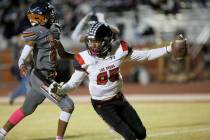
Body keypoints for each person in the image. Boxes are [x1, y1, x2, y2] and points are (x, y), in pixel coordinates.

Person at [49, 22, 174, 140]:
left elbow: (146, 55)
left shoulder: (119, 50)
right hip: (102, 104)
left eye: (96, 42)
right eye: (91, 42)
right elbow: (73, 84)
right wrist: (59, 90)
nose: (92, 45)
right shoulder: (85, 59)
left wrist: (169, 48)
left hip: (119, 98)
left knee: (141, 134)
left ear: (107, 41)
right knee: (129, 136)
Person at [0, 1, 74, 140]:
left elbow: (62, 54)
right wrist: (21, 62)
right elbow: (25, 52)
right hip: (40, 77)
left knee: (26, 109)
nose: (51, 15)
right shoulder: (35, 32)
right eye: (48, 13)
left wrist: (80, 57)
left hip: (46, 78)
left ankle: (1, 133)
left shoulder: (54, 30)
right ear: (38, 17)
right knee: (68, 105)